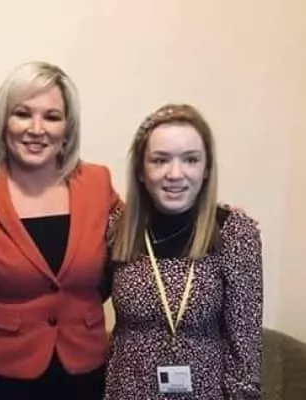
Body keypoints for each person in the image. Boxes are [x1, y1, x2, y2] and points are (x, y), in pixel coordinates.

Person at [0, 61, 122, 400]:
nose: (36, 129)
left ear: (68, 127)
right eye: (22, 114)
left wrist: (216, 217)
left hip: (84, 370)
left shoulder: (97, 183)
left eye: (51, 117)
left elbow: (132, 253)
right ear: (3, 121)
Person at [105, 103, 263, 399]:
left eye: (190, 160)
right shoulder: (117, 228)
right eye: (160, 160)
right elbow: (75, 299)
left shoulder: (233, 231)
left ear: (206, 169)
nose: (175, 174)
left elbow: (244, 348)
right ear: (141, 170)